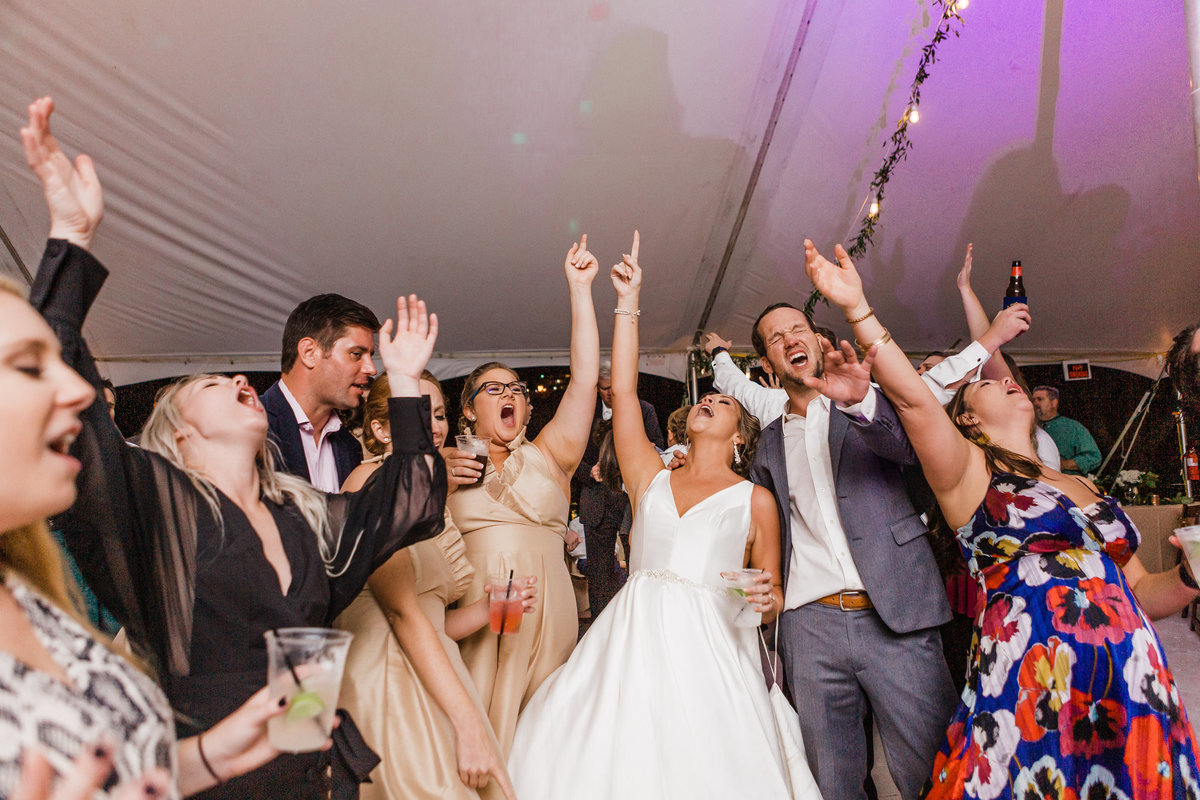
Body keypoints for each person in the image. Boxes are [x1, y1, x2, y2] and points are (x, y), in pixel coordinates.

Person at [22, 98, 447, 800]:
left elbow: (412, 503)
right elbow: (57, 398)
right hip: (206, 778)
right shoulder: (155, 507)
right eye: (214, 383)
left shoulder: (303, 518)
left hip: (312, 768)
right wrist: (71, 238)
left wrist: (403, 384)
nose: (239, 384)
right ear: (179, 433)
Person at [804, 237, 1200, 800]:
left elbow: (1141, 591)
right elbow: (915, 400)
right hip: (1030, 676)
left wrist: (1188, 578)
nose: (1007, 379)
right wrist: (858, 310)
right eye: (989, 381)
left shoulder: (1083, 484)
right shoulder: (968, 473)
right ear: (965, 417)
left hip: (1128, 677)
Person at [509, 232, 807, 798]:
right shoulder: (650, 477)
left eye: (721, 402)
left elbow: (766, 605)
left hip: (713, 652)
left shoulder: (754, 499)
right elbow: (622, 391)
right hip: (633, 642)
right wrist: (626, 301)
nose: (708, 401)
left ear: (741, 436)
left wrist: (767, 601)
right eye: (705, 398)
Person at [745, 293, 959, 800]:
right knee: (832, 782)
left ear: (817, 341)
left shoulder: (867, 402)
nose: (789, 340)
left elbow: (909, 450)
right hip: (810, 626)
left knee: (936, 769)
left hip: (897, 613)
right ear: (767, 363)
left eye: (796, 328)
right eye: (775, 339)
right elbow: (769, 527)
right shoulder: (769, 444)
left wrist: (861, 401)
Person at [335, 372, 534, 800]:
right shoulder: (369, 483)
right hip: (389, 678)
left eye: (440, 414)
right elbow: (400, 612)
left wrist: (491, 608)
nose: (437, 426)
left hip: (434, 671)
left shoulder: (430, 501)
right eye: (419, 413)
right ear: (381, 429)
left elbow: (432, 618)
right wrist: (469, 724)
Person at [446, 235, 600, 755]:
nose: (509, 393)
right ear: (467, 410)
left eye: (516, 388)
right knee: (478, 732)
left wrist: (580, 290)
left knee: (543, 740)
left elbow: (583, 380)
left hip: (547, 609)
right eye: (494, 388)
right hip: (478, 611)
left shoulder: (551, 454)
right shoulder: (445, 464)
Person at [262, 294, 381, 491]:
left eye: (370, 356)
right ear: (309, 353)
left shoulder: (349, 447)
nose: (371, 369)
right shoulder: (250, 425)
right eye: (357, 354)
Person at [574, 363, 663, 618]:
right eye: (605, 389)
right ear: (597, 389)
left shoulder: (644, 410)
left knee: (639, 565)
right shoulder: (585, 414)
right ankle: (600, 628)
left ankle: (638, 621)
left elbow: (657, 446)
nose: (610, 393)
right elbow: (570, 456)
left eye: (615, 387)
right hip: (596, 498)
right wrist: (588, 471)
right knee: (599, 573)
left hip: (632, 500)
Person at [1031, 386, 1101, 476]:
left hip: (1065, 484)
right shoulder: (1028, 427)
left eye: (1039, 399)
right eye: (1033, 400)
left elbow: (1094, 457)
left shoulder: (1073, 427)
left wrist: (1062, 464)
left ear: (1054, 403)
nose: (1035, 403)